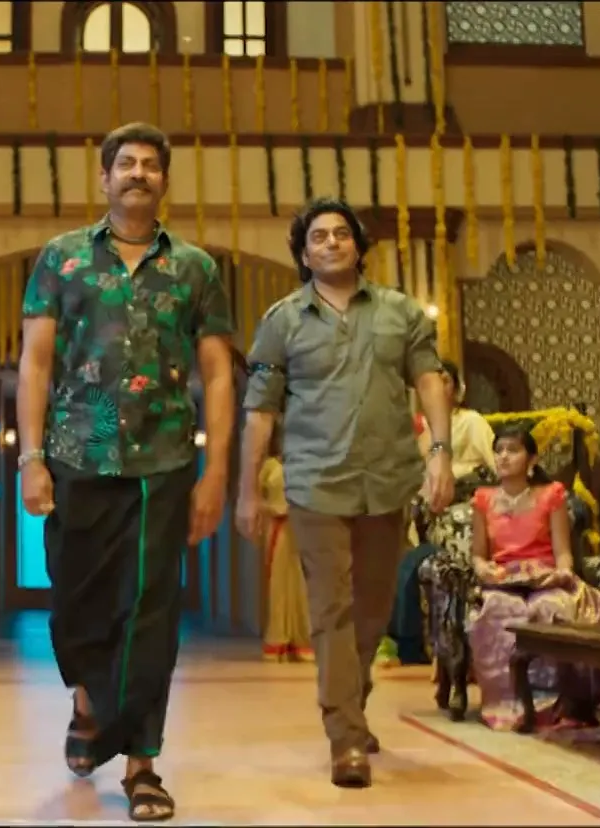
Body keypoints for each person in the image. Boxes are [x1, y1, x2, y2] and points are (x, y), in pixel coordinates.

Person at [19, 122, 233, 821]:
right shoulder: (62, 259)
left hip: (162, 459)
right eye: (126, 164)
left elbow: (217, 374)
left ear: (164, 180)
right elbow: (36, 363)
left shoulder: (195, 268)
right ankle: (86, 703)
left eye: (150, 165)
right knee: (75, 603)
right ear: (105, 178)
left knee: (150, 612)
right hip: (81, 448)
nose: (138, 173)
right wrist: (30, 459)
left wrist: (215, 472)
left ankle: (142, 764)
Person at [236, 197, 455, 788]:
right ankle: (345, 737)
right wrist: (247, 491)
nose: (331, 242)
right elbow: (259, 412)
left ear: (359, 246)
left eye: (341, 234)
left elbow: (429, 379)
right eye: (318, 237)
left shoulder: (400, 312)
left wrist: (440, 452)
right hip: (315, 482)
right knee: (330, 607)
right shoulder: (283, 321)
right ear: (304, 255)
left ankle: (352, 703)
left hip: (387, 478)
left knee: (372, 608)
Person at [465, 428, 600, 730]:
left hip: (544, 577)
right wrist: (483, 569)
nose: (504, 457)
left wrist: (562, 573)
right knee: (498, 610)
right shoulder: (483, 500)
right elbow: (478, 556)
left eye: (513, 450)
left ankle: (555, 705)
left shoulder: (551, 495)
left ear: (531, 459)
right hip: (502, 580)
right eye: (499, 450)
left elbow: (563, 553)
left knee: (550, 608)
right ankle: (508, 705)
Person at [255, 422, 310, 663]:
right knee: (279, 584)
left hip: (301, 528)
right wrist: (274, 509)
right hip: (277, 528)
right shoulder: (268, 466)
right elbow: (256, 499)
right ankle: (279, 639)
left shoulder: (302, 464)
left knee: (301, 584)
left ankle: (302, 640)